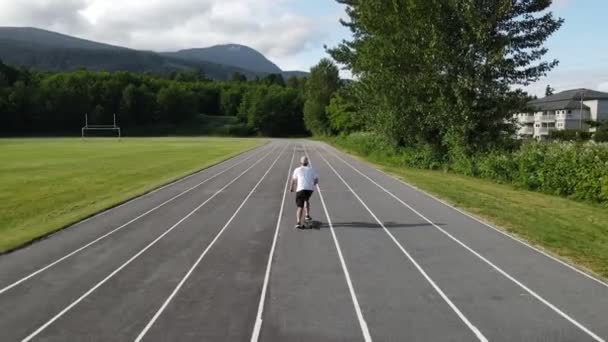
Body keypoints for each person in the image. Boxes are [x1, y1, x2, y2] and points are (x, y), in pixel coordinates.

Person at [290, 156, 319, 229]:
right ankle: (307, 215)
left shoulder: (297, 170)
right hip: (309, 190)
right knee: (306, 199)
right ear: (307, 162)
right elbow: (316, 180)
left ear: (300, 162)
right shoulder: (312, 169)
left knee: (300, 206)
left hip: (300, 189)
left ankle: (298, 222)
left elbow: (293, 180)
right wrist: (313, 184)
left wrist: (291, 187)